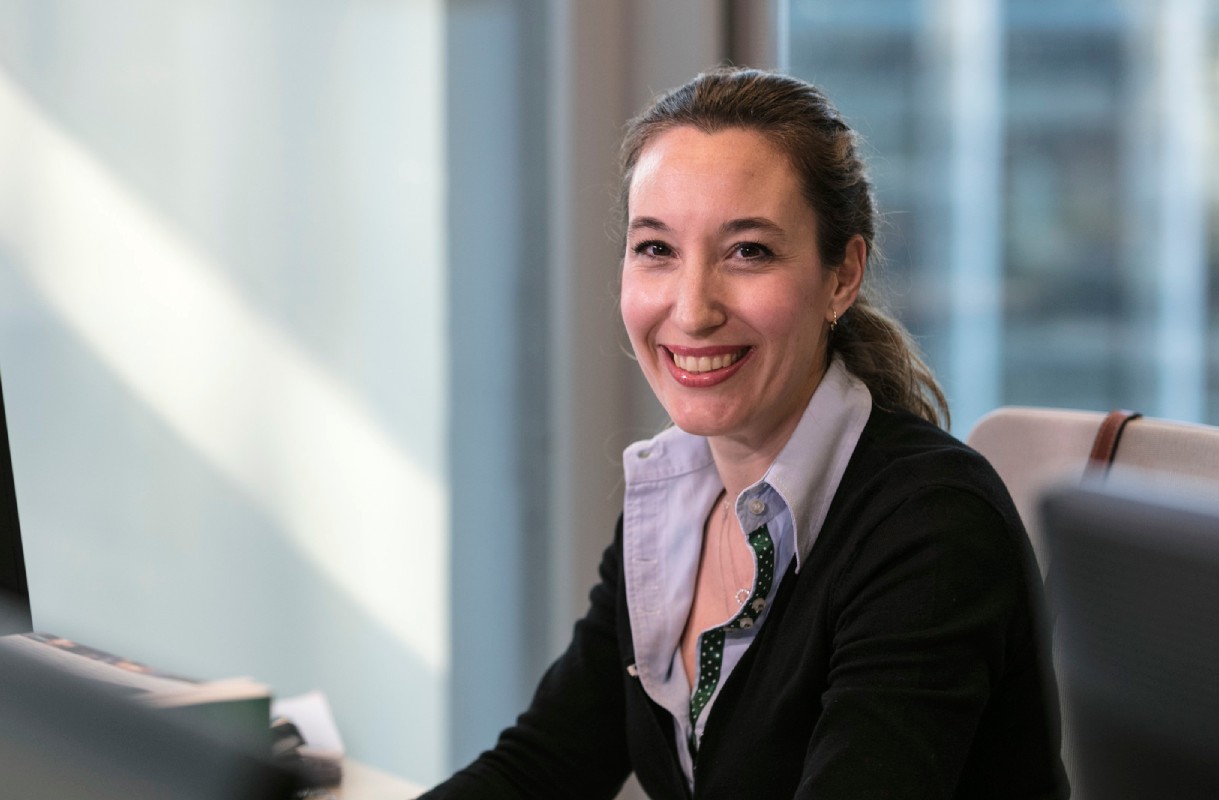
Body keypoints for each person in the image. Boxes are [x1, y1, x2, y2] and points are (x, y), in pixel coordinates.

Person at [422, 67, 1067, 799]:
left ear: (842, 277)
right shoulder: (674, 503)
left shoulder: (931, 525)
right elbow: (538, 770)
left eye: (748, 251)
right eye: (656, 249)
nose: (692, 310)